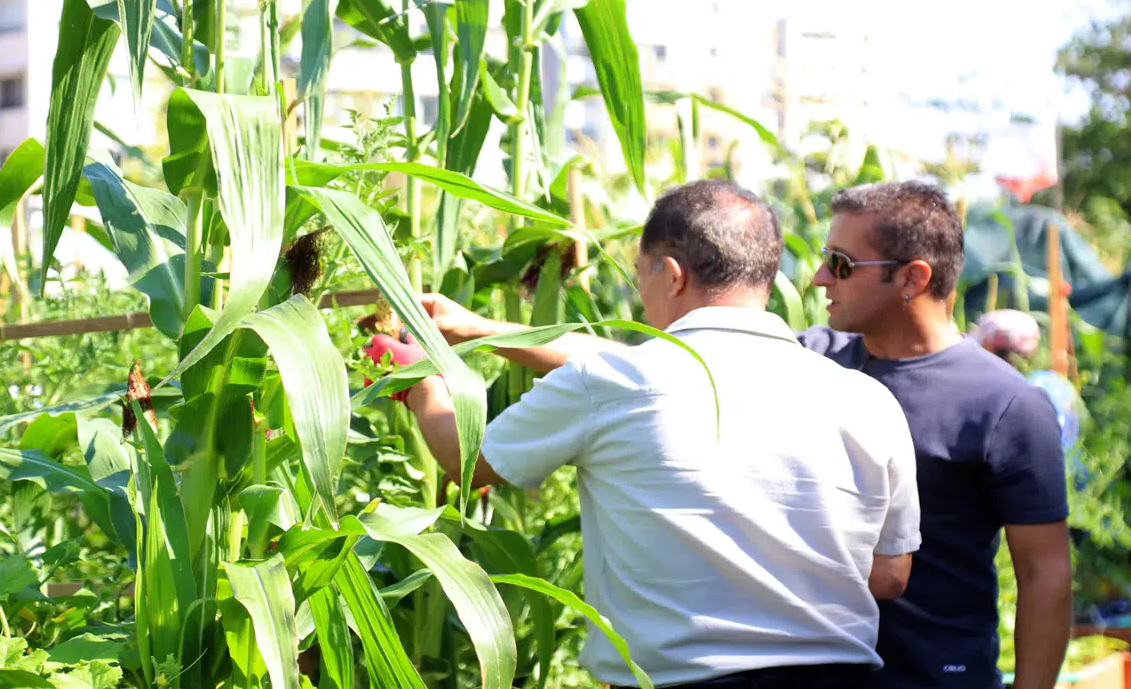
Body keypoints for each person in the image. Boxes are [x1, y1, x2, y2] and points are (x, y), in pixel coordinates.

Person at [366, 180, 921, 689]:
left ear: (672, 274)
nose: (639, 295)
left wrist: (423, 384)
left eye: (640, 274)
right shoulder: (868, 400)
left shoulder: (611, 383)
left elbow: (468, 459)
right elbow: (890, 574)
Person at [799, 181, 1072, 689]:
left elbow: (1044, 576)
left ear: (912, 277)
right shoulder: (812, 363)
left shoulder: (1004, 405)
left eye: (840, 262)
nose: (819, 278)